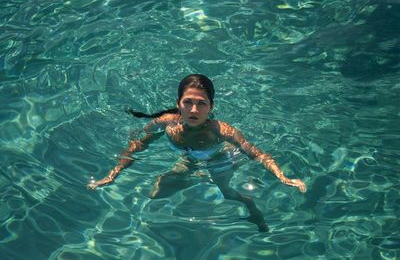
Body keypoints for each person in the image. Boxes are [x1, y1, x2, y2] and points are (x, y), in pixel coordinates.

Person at [88, 74, 307, 232]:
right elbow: (137, 145)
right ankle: (195, 175)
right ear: (178, 104)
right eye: (188, 102)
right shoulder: (166, 123)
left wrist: (283, 177)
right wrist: (113, 174)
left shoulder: (220, 131)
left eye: (201, 104)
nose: (194, 110)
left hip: (220, 159)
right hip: (190, 157)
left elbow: (256, 154)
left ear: (211, 107)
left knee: (228, 193)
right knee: (155, 194)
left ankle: (249, 205)